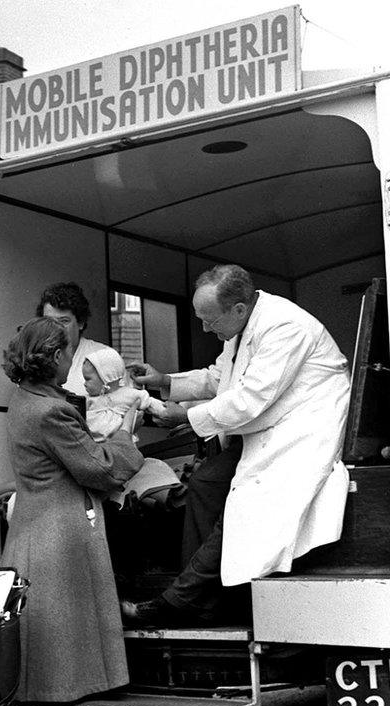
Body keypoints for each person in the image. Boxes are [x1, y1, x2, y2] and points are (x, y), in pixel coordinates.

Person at [123, 264, 351, 626]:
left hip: (301, 435)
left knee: (242, 506)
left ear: (238, 309)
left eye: (208, 319)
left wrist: (184, 418)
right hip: (265, 430)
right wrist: (165, 380)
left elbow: (249, 399)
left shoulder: (285, 326)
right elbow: (220, 378)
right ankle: (204, 604)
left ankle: (180, 601)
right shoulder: (241, 326)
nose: (203, 328)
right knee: (202, 484)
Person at [1, 318, 143, 706]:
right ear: (54, 357)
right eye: (67, 353)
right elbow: (99, 470)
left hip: (33, 529)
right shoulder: (50, 412)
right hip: (58, 533)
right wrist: (125, 431)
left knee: (35, 645)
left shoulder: (26, 400)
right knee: (48, 646)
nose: (71, 360)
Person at [81, 349, 182, 508]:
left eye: (88, 379)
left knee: (137, 470)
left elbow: (148, 402)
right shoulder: (87, 401)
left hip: (124, 447)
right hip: (100, 451)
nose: (84, 383)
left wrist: (166, 412)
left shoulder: (128, 394)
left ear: (106, 378)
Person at [35, 281, 107, 397]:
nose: (55, 328)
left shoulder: (103, 356)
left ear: (81, 322)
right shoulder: (33, 358)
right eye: (49, 321)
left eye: (64, 321)